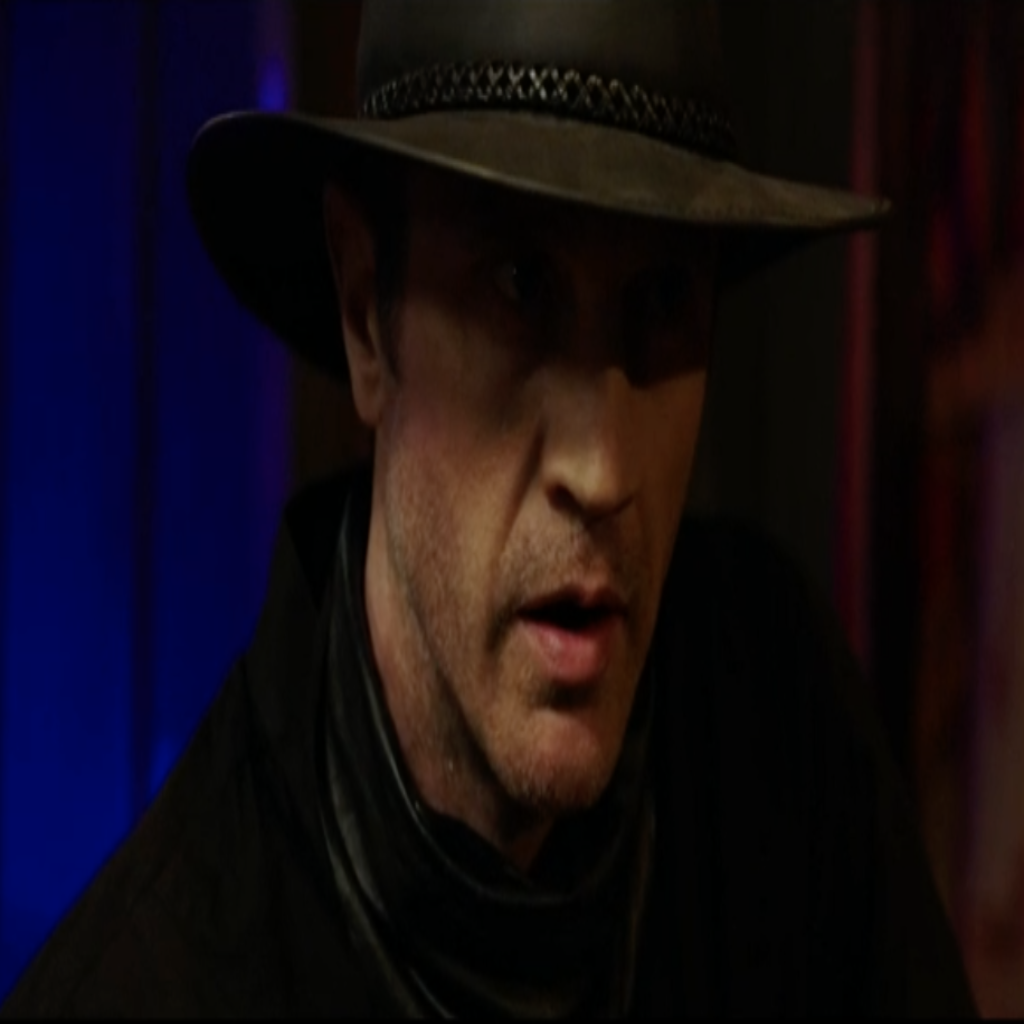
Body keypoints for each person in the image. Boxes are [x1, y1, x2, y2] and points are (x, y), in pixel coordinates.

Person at [2, 0, 977, 1016]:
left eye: (661, 301)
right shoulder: (162, 976)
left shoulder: (772, 709)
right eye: (518, 286)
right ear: (365, 314)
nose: (600, 469)